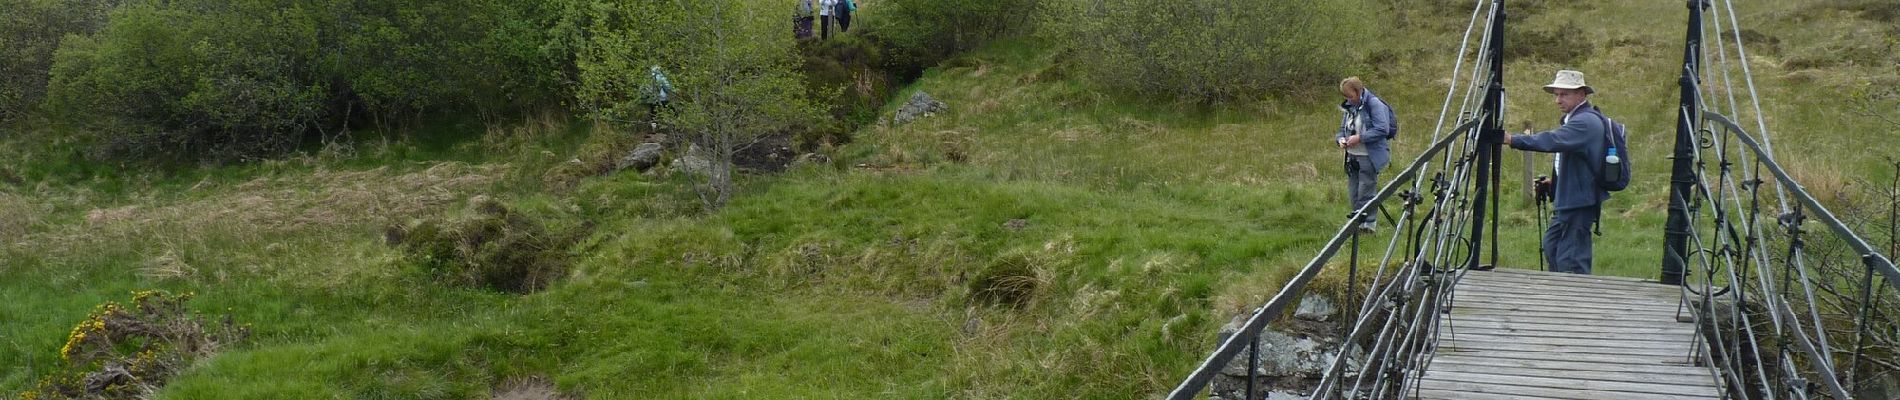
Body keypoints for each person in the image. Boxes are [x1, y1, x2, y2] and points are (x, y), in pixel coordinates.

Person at [1505, 70, 1613, 275]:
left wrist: (1513, 139)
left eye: (1564, 94)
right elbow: (1571, 158)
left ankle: (1573, 302)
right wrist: (1555, 184)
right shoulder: (1576, 119)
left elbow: (1552, 141)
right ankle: (1560, 297)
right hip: (1571, 198)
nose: (1557, 100)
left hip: (1579, 201)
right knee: (1552, 246)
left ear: (1582, 94)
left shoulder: (1585, 122)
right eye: (1556, 94)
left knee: (1571, 260)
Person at [1335, 77, 1395, 233]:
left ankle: (1368, 225)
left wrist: (1360, 138)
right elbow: (1342, 129)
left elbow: (1383, 129)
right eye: (1345, 97)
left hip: (1368, 156)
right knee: (1354, 192)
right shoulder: (1349, 108)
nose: (1348, 99)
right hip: (1352, 157)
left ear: (1359, 91)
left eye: (1350, 96)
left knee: (1366, 191)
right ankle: (1357, 224)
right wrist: (1341, 139)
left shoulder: (1374, 104)